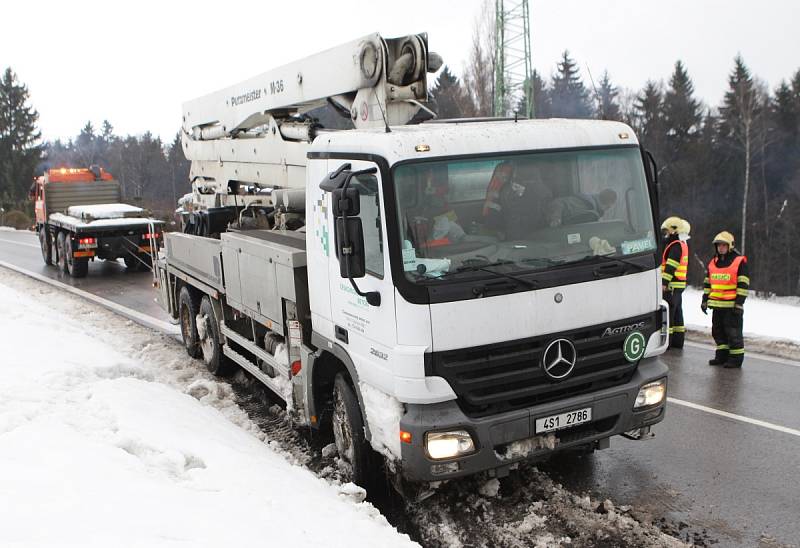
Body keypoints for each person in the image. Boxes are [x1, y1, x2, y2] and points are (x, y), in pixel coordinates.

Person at [701, 231, 750, 368]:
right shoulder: (713, 262)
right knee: (718, 332)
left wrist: (739, 303)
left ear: (730, 246)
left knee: (733, 333)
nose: (720, 248)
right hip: (717, 306)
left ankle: (736, 359)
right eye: (718, 245)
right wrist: (705, 300)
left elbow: (743, 284)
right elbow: (707, 284)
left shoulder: (739, 261)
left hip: (732, 306)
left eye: (724, 245)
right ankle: (722, 356)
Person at [660, 216, 690, 349]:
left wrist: (664, 283)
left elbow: (671, 266)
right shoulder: (682, 244)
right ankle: (678, 342)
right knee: (677, 315)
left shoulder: (675, 246)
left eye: (666, 232)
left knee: (670, 315)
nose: (665, 235)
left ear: (673, 231)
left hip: (671, 285)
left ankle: (668, 343)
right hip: (678, 285)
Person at [547, 189, 617, 227]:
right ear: (608, 206)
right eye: (608, 207)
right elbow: (559, 202)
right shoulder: (587, 204)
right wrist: (556, 218)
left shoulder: (595, 213)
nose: (608, 208)